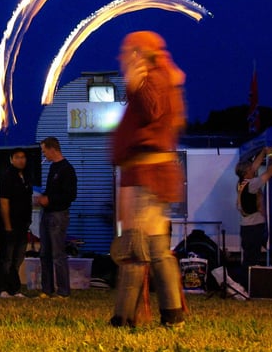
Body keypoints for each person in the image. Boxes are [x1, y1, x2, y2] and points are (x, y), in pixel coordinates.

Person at [109, 30, 187, 329]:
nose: (121, 57)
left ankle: (124, 317)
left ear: (139, 53)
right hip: (148, 175)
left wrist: (136, 82)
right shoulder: (160, 77)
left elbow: (151, 110)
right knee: (156, 249)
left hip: (147, 176)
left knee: (136, 248)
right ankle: (173, 314)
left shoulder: (153, 78)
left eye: (126, 51)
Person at [37, 137, 77, 299]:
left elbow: (70, 195)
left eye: (44, 150)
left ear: (53, 149)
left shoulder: (67, 169)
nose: (44, 153)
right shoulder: (52, 168)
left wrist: (50, 200)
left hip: (58, 215)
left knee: (58, 254)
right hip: (47, 213)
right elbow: (50, 190)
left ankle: (63, 290)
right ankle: (47, 289)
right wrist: (43, 197)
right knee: (44, 252)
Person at [0, 147, 33, 298]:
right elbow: (4, 202)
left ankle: (14, 288)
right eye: (17, 157)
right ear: (11, 159)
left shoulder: (26, 175)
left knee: (18, 258)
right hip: (8, 224)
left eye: (23, 157)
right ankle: (2, 288)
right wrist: (7, 225)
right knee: (7, 257)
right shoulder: (7, 176)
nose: (20, 160)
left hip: (22, 224)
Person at [235, 146, 272, 273]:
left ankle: (245, 284)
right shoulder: (252, 184)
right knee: (252, 259)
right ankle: (247, 286)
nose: (253, 169)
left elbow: (254, 166)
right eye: (250, 168)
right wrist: (271, 155)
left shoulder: (241, 183)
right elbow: (270, 172)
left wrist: (263, 152)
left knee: (248, 258)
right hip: (254, 227)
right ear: (246, 171)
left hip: (246, 227)